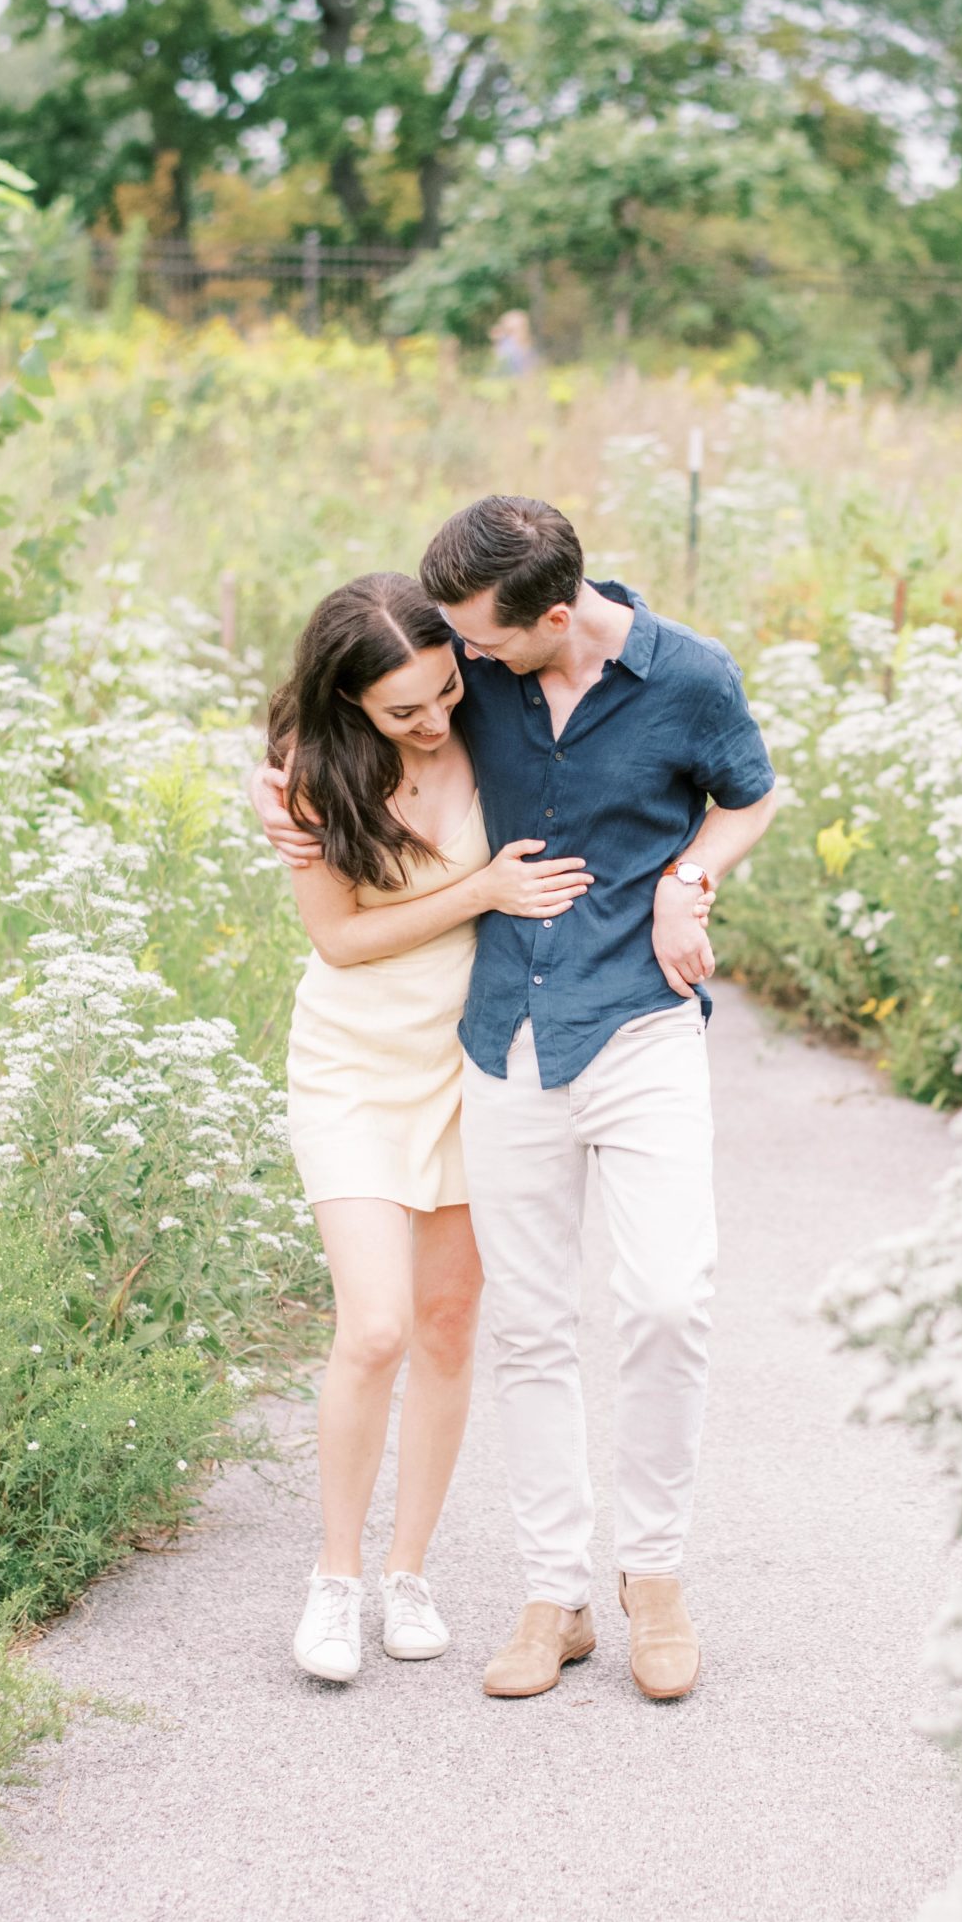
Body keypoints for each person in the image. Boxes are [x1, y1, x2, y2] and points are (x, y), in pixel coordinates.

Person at [255, 500, 777, 1702]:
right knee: (517, 1323)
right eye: (446, 659)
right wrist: (281, 773)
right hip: (493, 1040)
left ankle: (654, 1572)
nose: (457, 683)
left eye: (474, 652)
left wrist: (689, 879)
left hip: (637, 1017)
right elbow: (353, 683)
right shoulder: (459, 665)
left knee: (660, 1297)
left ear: (549, 618)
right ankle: (553, 1591)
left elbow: (747, 791)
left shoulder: (684, 676)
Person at [270, 572, 594, 1684]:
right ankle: (336, 1577)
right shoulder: (315, 776)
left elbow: (578, 632)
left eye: (443, 689)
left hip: (473, 1067)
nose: (434, 719)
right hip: (354, 1071)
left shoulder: (492, 719)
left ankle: (410, 1571)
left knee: (451, 1327)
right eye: (404, 709)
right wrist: (480, 893)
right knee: (373, 1326)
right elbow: (344, 942)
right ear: (348, 699)